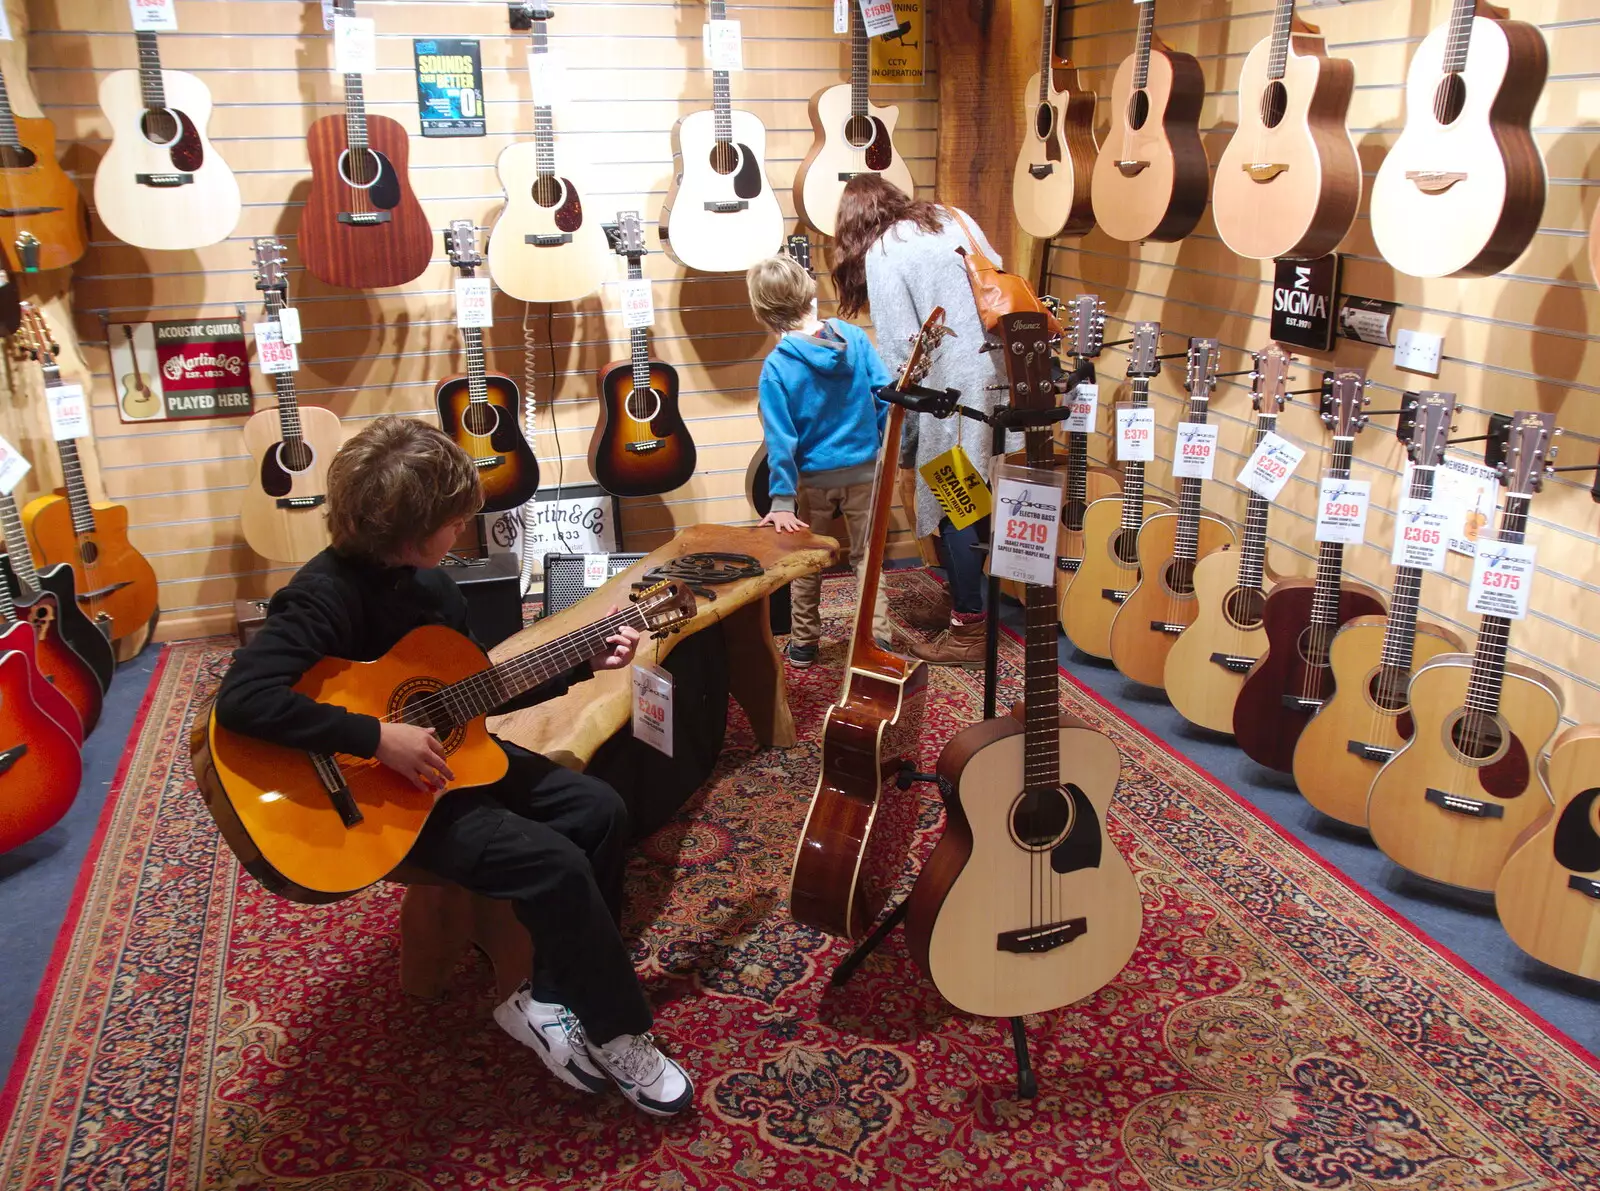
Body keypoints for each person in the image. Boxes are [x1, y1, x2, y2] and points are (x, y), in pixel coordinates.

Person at [213, 416, 693, 1118]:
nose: (466, 525)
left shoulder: (432, 587)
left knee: (601, 810)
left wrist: (580, 663)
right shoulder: (323, 596)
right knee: (554, 863)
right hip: (376, 801)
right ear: (407, 532)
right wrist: (374, 737)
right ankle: (622, 1032)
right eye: (453, 518)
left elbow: (470, 688)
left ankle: (550, 997)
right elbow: (243, 700)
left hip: (448, 766)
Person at [832, 174, 1010, 668]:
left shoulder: (884, 251)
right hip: (998, 369)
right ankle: (965, 602)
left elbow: (899, 348)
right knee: (972, 489)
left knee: (952, 492)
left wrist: (901, 423)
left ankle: (970, 627)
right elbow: (994, 271)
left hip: (948, 388)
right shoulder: (951, 216)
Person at [746, 253, 894, 666]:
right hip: (865, 470)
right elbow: (884, 394)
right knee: (867, 556)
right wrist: (875, 439)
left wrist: (780, 502)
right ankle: (877, 640)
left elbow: (781, 440)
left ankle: (805, 643)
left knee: (808, 560)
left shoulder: (776, 367)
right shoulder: (853, 337)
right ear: (810, 292)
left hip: (812, 479)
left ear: (762, 311)